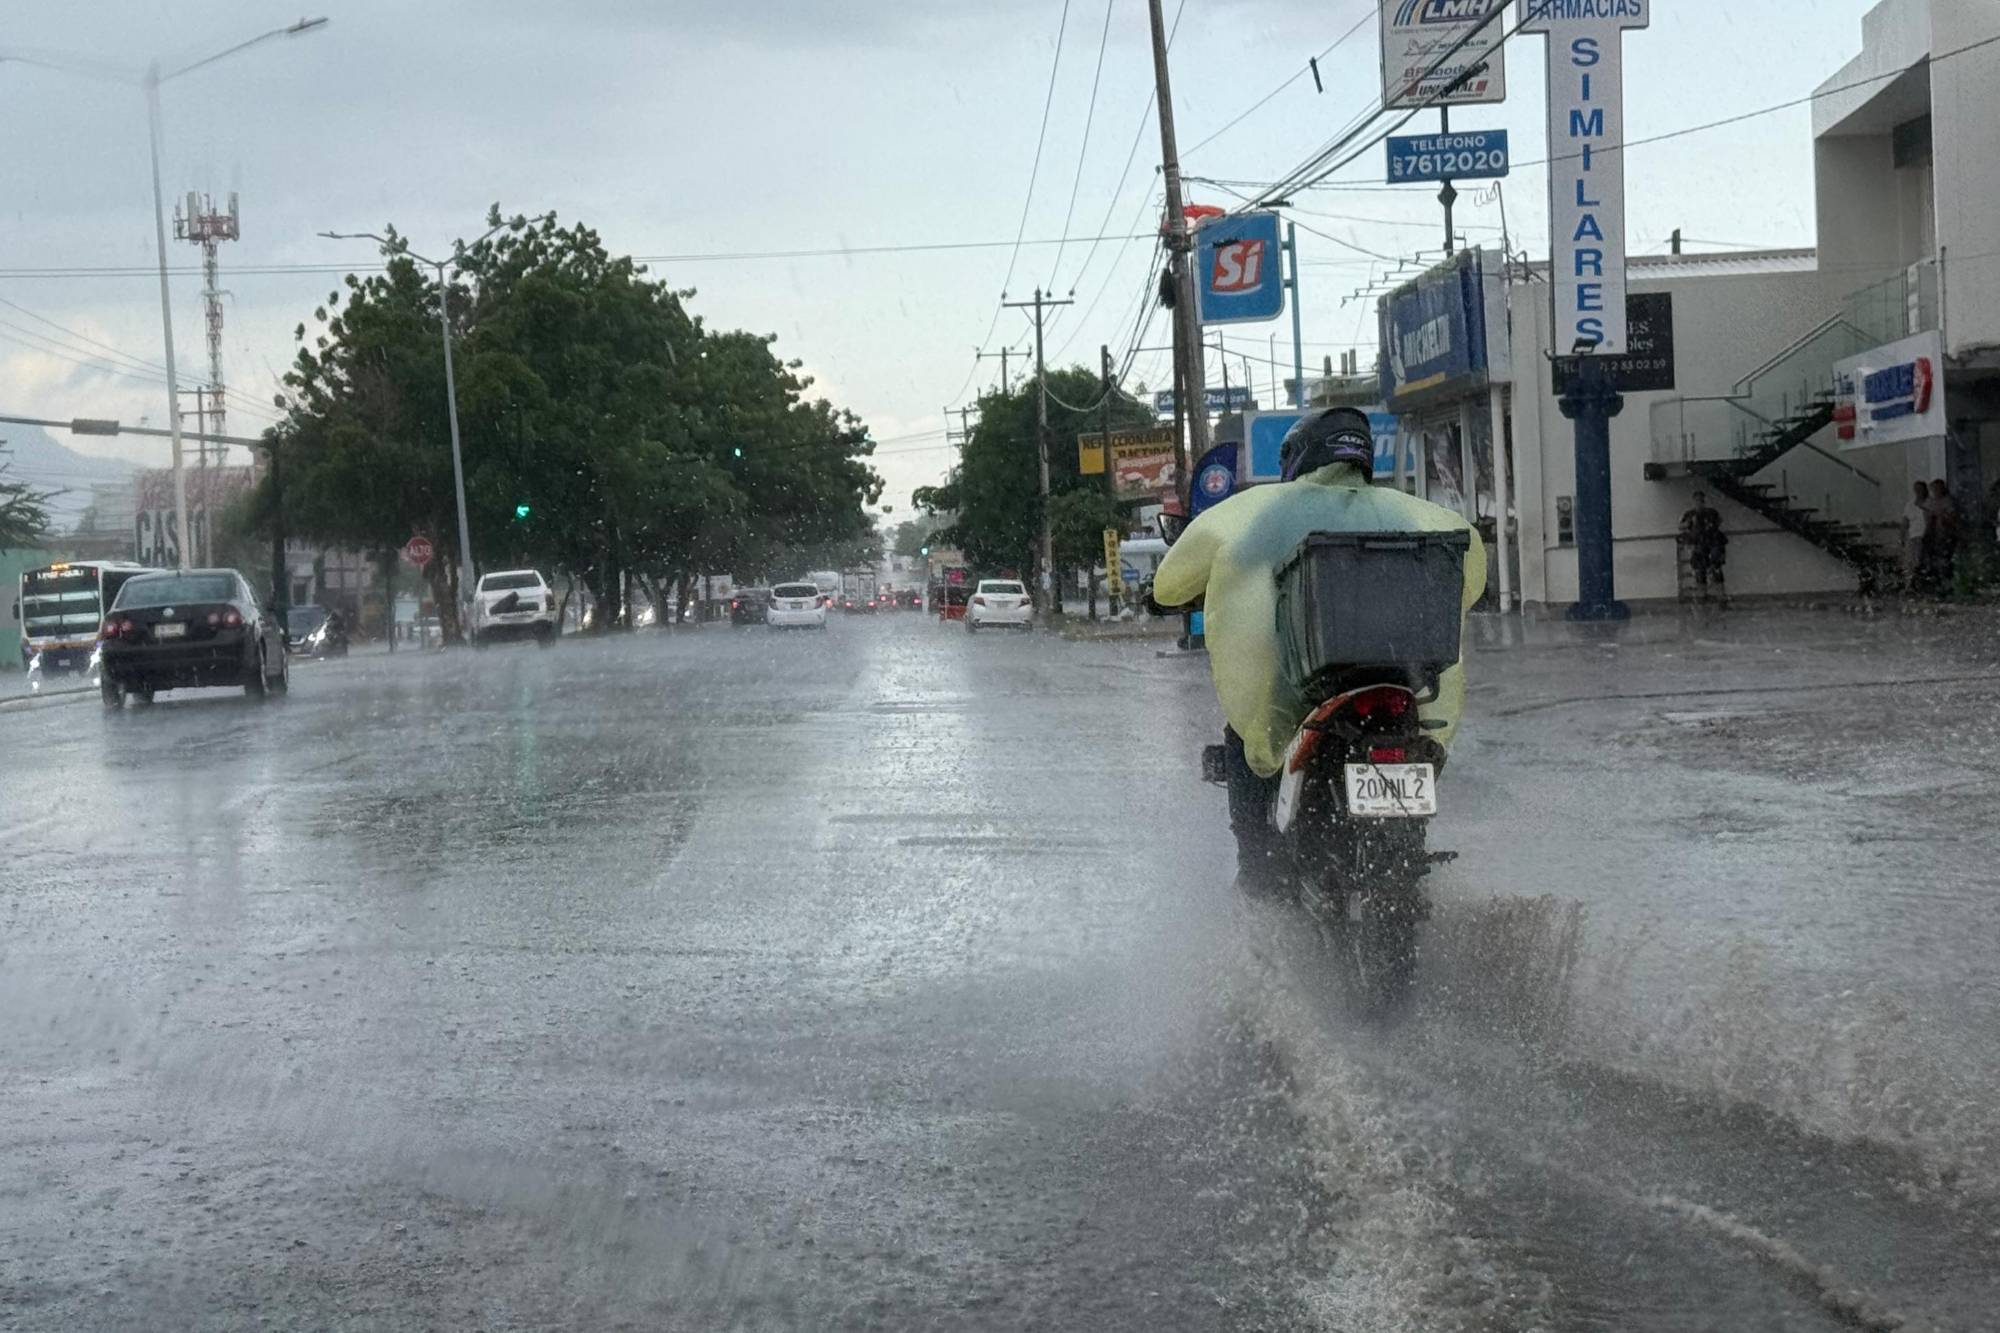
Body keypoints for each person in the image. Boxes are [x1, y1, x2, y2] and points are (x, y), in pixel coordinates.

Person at [1150, 407, 1485, 886]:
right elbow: (1469, 584)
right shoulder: (1422, 515)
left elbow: (1168, 587)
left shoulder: (1253, 513)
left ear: (1298, 459)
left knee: (1247, 742)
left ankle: (1261, 874)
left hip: (1303, 698)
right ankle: (1402, 846)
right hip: (1405, 688)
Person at [1679, 492, 1728, 601]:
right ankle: (1702, 595)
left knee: (1716, 568)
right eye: (1697, 500)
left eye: (1701, 500)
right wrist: (1688, 524)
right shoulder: (1690, 514)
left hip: (1713, 542)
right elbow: (1681, 526)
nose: (1699, 503)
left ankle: (1721, 595)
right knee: (1700, 570)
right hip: (1699, 544)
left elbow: (1720, 520)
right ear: (1693, 501)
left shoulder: (1711, 512)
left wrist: (1711, 525)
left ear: (1704, 501)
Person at [1924, 478, 1959, 591]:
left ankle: (1947, 585)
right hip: (1932, 534)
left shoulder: (1948, 501)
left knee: (1945, 560)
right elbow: (1927, 517)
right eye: (1934, 489)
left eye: (1938, 489)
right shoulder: (1930, 502)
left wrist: (1942, 515)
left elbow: (1952, 518)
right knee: (1931, 560)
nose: (1936, 491)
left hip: (1945, 535)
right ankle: (1935, 584)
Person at [1903, 481, 1931, 590]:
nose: (1918, 491)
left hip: (1925, 536)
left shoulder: (1929, 503)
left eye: (1920, 489)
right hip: (1912, 536)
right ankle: (1910, 586)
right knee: (1910, 562)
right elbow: (1905, 521)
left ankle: (1921, 585)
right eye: (1916, 489)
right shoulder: (1910, 504)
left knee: (1920, 561)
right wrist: (1902, 535)